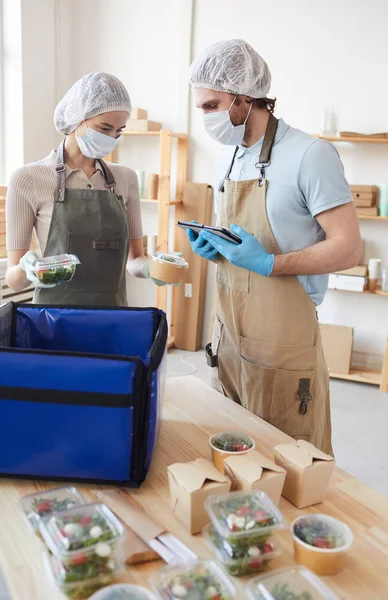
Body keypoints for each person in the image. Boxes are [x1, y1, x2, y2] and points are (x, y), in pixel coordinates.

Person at [187, 39, 362, 454]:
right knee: (232, 457)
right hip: (229, 339)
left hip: (283, 345)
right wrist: (214, 244)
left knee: (289, 462)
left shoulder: (310, 155)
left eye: (211, 106)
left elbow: (348, 249)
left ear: (244, 98)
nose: (205, 118)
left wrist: (269, 263)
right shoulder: (230, 157)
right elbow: (238, 233)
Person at [6, 72, 172, 305]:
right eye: (104, 128)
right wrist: (26, 270)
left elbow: (135, 260)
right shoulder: (28, 179)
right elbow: (13, 279)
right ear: (76, 118)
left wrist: (152, 268)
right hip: (54, 323)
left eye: (119, 131)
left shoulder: (126, 179)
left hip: (112, 320)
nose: (112, 138)